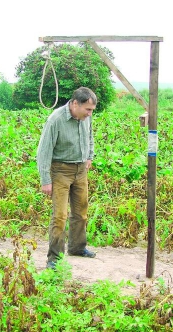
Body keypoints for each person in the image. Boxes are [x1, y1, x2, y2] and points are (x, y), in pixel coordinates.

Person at [37, 87, 97, 269]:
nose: (89, 113)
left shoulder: (86, 117)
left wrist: (89, 156)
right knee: (60, 216)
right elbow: (43, 151)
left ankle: (77, 247)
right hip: (60, 171)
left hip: (80, 170)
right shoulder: (56, 120)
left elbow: (90, 136)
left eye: (92, 110)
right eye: (87, 109)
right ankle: (54, 258)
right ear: (75, 104)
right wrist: (45, 180)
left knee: (81, 212)